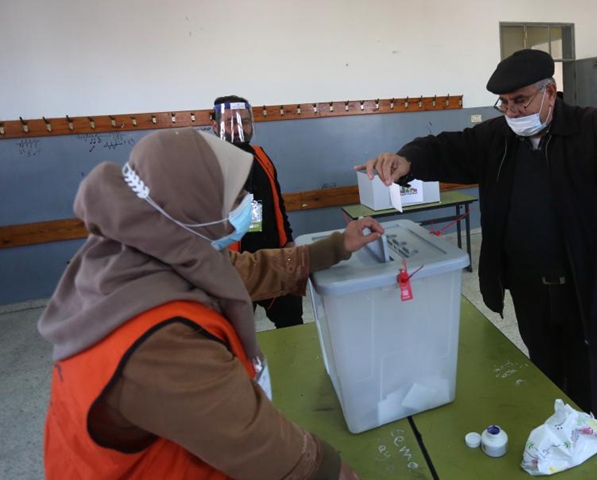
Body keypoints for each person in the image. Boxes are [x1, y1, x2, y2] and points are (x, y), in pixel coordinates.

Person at [357, 31, 597, 430]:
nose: (513, 111)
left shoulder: (593, 128)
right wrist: (406, 160)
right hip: (529, 291)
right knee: (545, 379)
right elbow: (444, 148)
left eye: (521, 100)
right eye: (504, 103)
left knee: (592, 391)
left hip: (588, 290)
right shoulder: (496, 138)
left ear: (551, 93)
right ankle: (553, 441)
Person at [39, 128, 379, 479]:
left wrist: (336, 246)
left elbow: (244, 269)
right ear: (194, 206)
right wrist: (330, 469)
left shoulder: (136, 251)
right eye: (234, 198)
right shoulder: (161, 340)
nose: (247, 203)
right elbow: (253, 442)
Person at [212, 95, 303, 329]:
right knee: (234, 334)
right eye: (231, 122)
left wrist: (289, 241)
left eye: (245, 121)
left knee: (292, 324)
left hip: (274, 258)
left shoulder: (261, 156)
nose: (239, 127)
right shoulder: (206, 163)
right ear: (215, 126)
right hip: (232, 267)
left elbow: (277, 203)